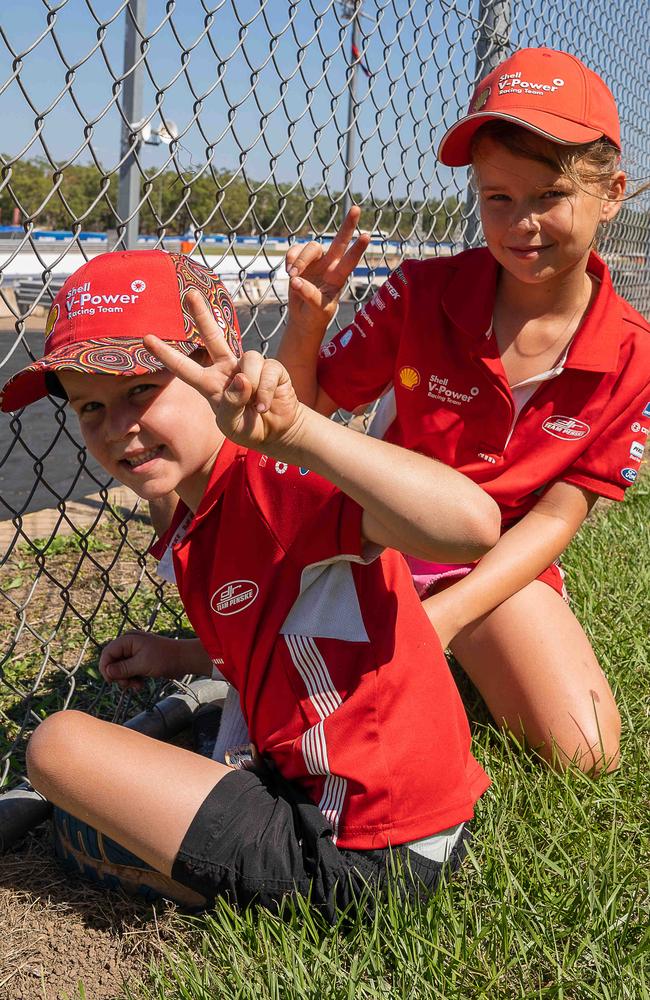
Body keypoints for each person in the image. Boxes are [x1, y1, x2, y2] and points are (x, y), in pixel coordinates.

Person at [1, 250, 500, 916]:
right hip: (411, 825)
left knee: (59, 759)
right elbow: (277, 634)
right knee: (132, 759)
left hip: (363, 852)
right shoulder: (200, 500)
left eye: (142, 391)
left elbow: (472, 525)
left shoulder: (278, 475)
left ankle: (205, 887)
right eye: (90, 407)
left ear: (221, 367)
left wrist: (299, 432)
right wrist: (176, 656)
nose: (119, 429)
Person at [277, 47, 650, 775]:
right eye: (497, 199)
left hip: (486, 559)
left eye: (550, 195)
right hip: (373, 536)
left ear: (611, 194)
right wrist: (306, 325)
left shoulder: (632, 353)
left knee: (587, 749)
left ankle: (430, 643)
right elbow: (306, 413)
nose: (522, 225)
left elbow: (553, 517)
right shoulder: (420, 291)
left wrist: (444, 618)